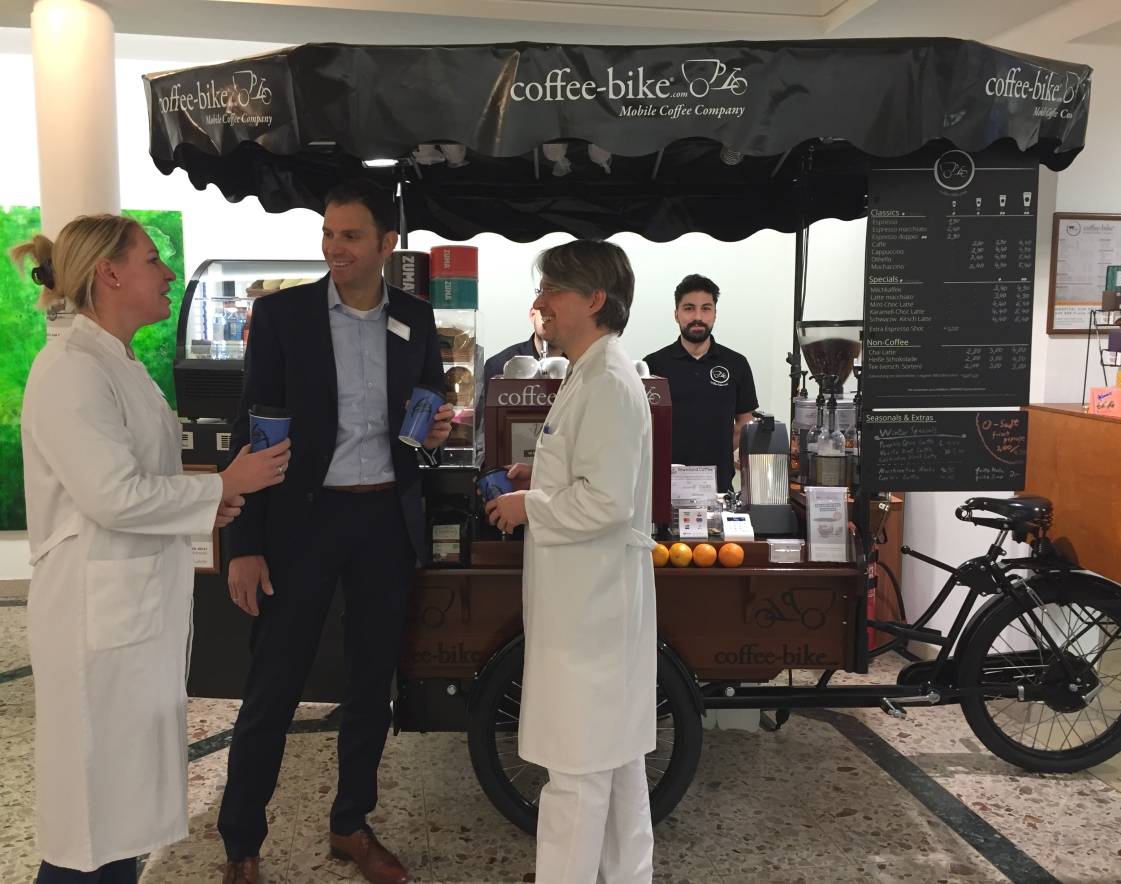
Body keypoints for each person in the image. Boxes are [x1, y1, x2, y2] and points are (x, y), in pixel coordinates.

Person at [13, 214, 291, 884]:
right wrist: (221, 484)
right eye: (151, 257)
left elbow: (134, 483)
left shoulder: (119, 363)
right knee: (90, 823)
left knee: (120, 815)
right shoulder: (71, 369)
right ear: (109, 274)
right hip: (95, 622)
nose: (168, 272)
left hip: (131, 616)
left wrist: (207, 499)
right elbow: (112, 496)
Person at [217, 180, 453, 884]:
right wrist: (244, 544)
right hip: (301, 524)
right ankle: (241, 846)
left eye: (351, 235)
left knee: (370, 684)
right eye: (327, 233)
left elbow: (426, 412)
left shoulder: (413, 315)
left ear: (387, 243)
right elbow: (251, 431)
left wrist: (433, 433)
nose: (334, 248)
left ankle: (350, 824)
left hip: (384, 520)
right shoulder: (283, 315)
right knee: (272, 687)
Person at [486, 240, 656, 883]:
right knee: (613, 767)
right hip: (592, 608)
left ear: (593, 299)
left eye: (553, 291)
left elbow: (607, 502)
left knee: (577, 775)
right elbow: (592, 473)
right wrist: (543, 474)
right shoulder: (592, 372)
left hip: (591, 614)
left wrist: (532, 504)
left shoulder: (607, 380)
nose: (540, 305)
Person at [644, 273, 757, 492]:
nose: (698, 316)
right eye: (688, 308)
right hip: (664, 485)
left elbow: (744, 422)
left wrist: (720, 451)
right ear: (676, 314)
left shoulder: (736, 364)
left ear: (715, 313)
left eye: (706, 308)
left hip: (719, 485)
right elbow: (643, 425)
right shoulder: (653, 364)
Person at [483, 305, 561, 379]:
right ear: (532, 314)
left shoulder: (573, 366)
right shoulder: (497, 366)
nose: (551, 312)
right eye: (544, 308)